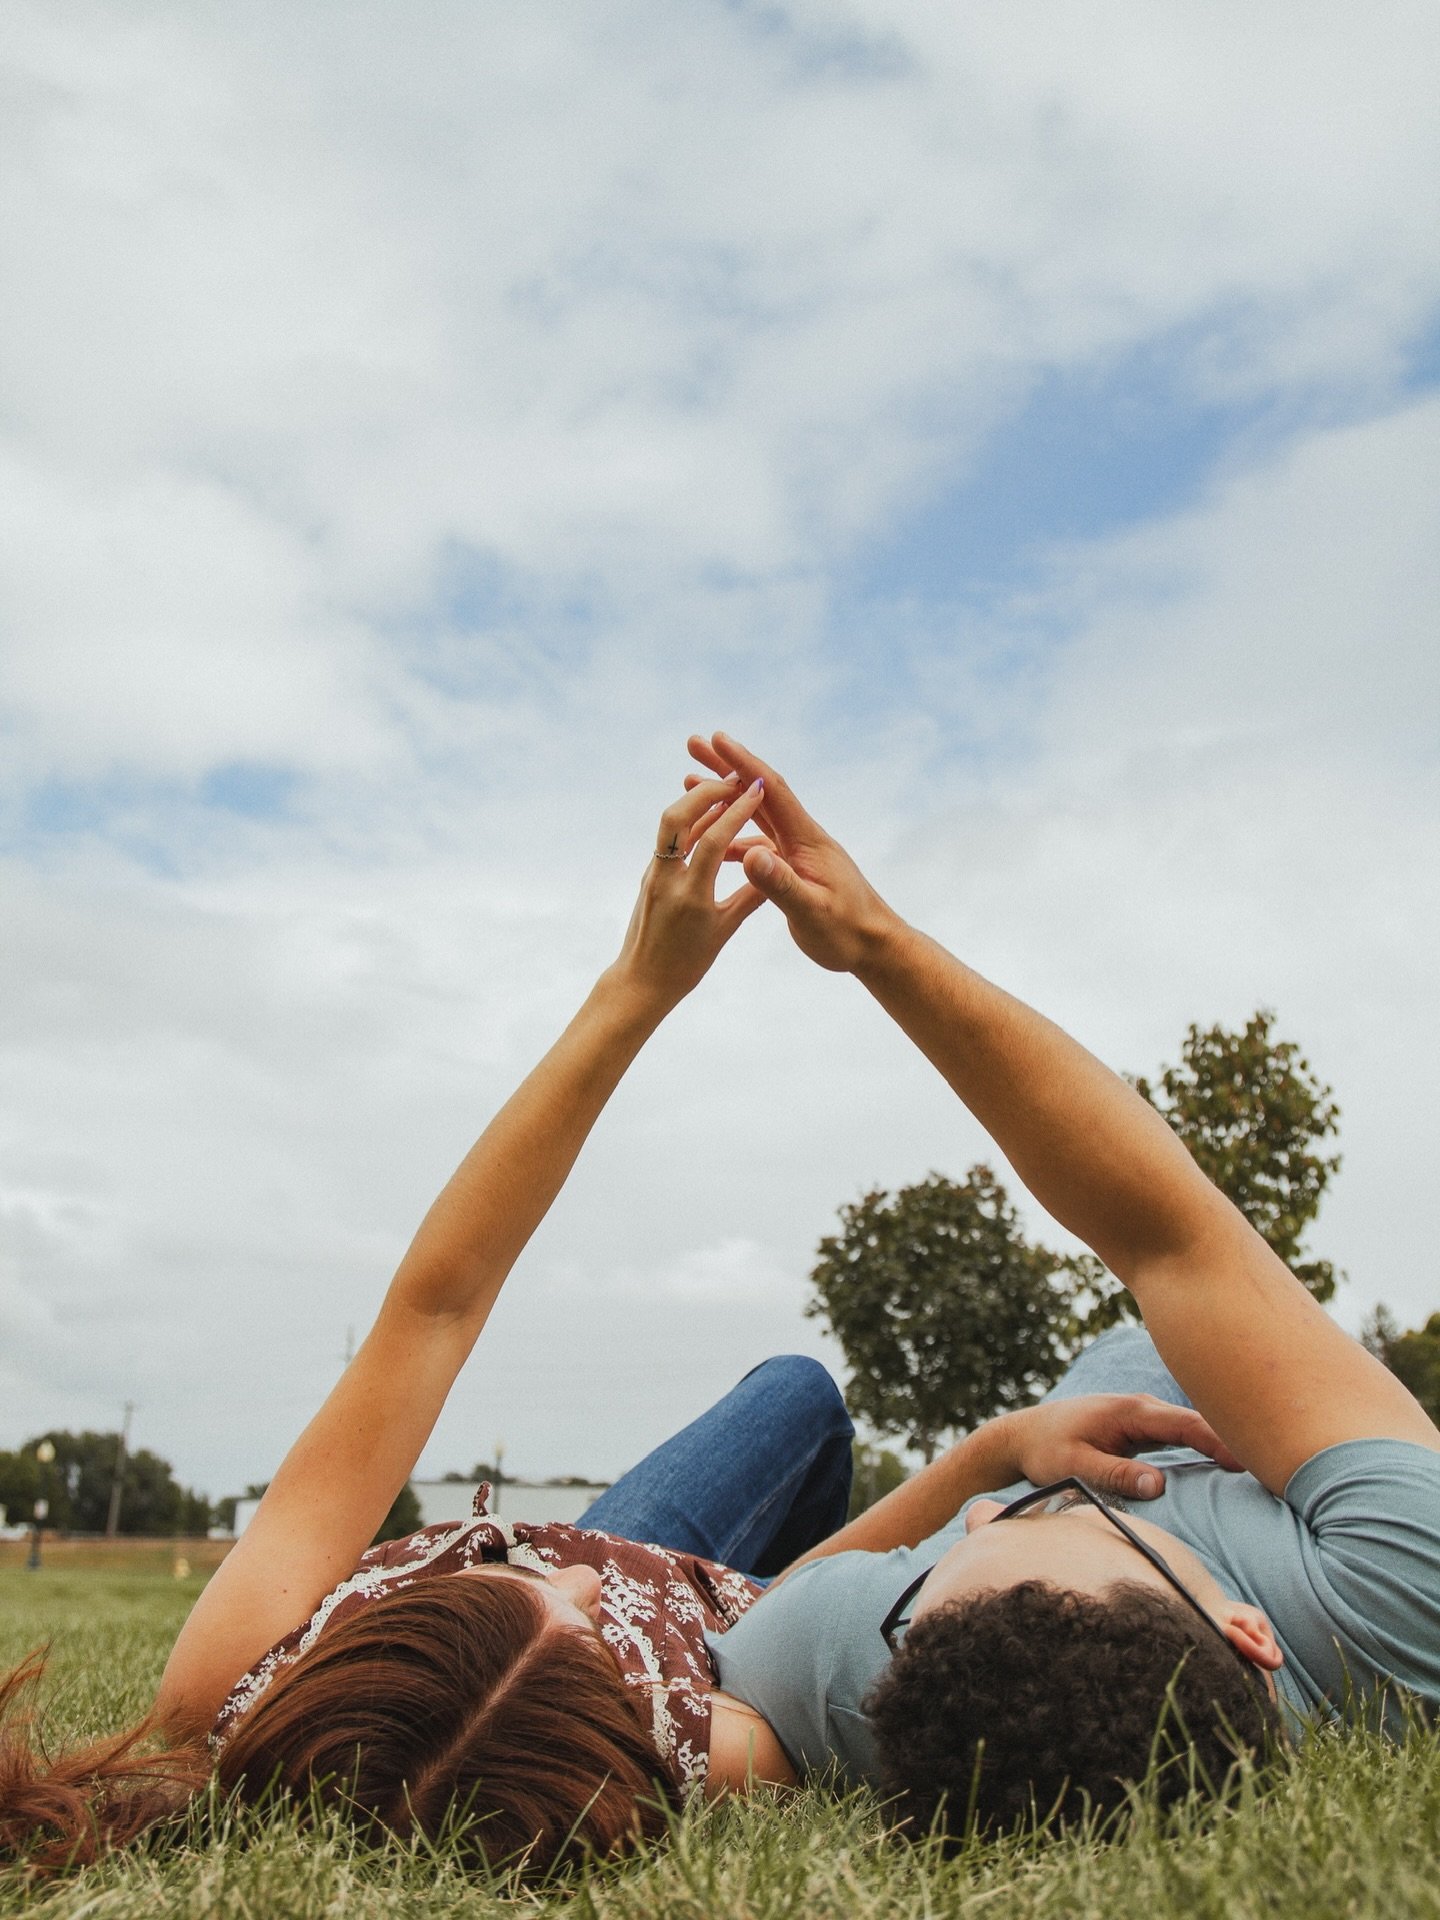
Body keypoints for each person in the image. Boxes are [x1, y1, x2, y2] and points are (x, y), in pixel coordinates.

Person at [0, 762, 1222, 1881]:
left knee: (795, 1390)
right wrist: (996, 1452)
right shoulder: (700, 1740)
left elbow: (437, 1305)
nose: (570, 1577)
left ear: (384, 1624)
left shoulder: (234, 1680)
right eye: (578, 1628)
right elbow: (805, 1601)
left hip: (628, 1570)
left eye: (509, 1576)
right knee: (758, 1572)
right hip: (720, 1620)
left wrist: (637, 986)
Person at [687, 729, 1440, 1843]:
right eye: (1065, 1523)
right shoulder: (1397, 1605)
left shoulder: (854, 1656)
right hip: (1247, 1440)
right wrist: (878, 945)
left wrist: (1004, 1454)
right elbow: (1171, 1239)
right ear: (1249, 1632)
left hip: (1061, 1409)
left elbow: (751, 1628)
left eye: (956, 1547)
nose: (978, 1517)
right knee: (1200, 1290)